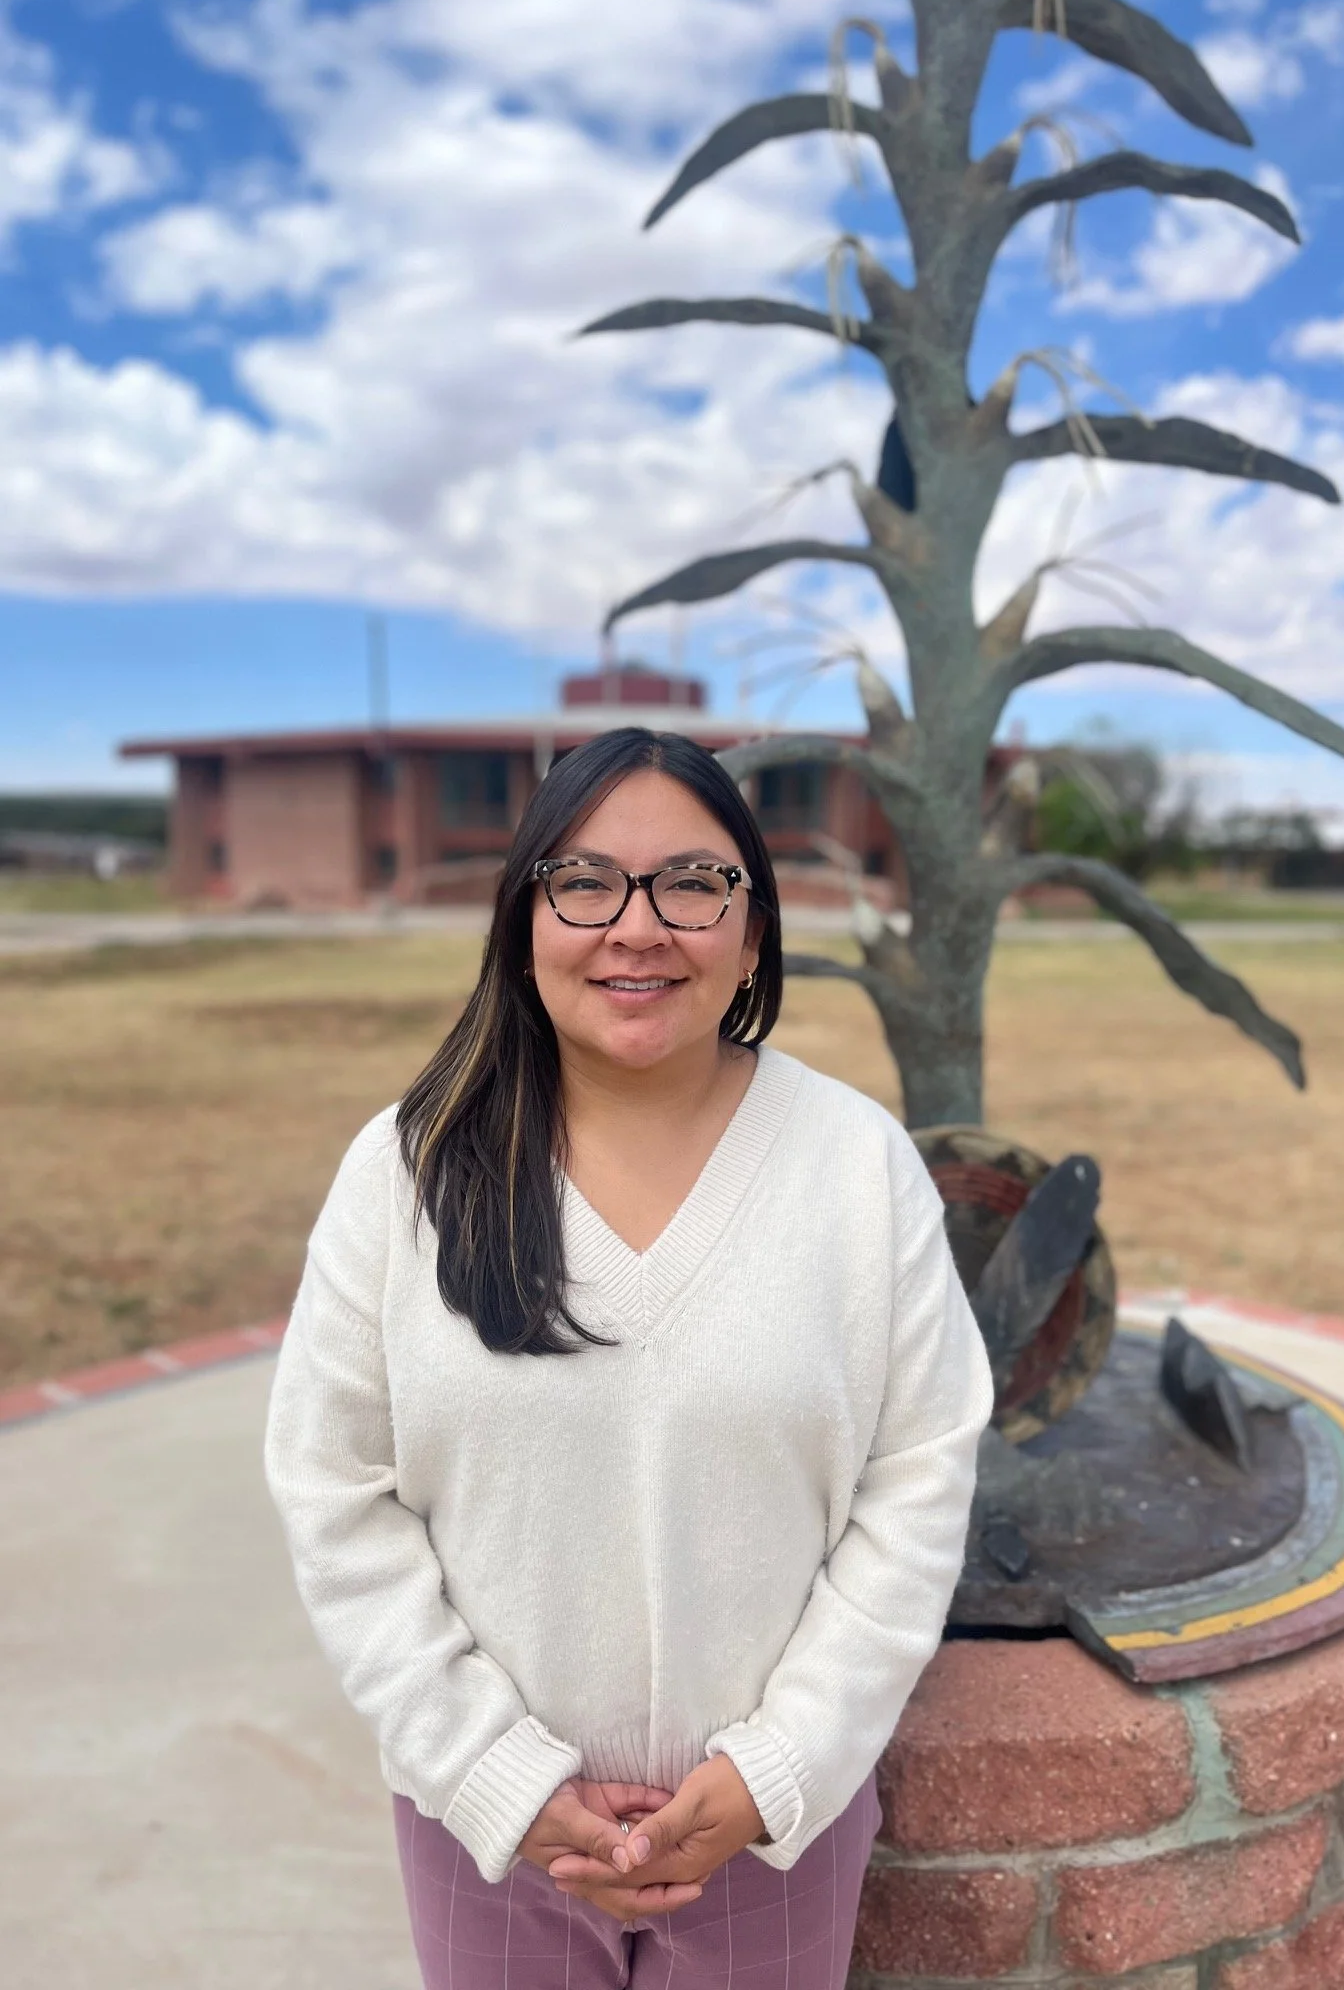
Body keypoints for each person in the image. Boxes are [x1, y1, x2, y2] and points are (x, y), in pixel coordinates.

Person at [265, 726, 995, 1990]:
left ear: (753, 927)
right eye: (586, 881)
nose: (638, 926)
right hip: (491, 1839)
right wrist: (493, 1774)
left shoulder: (854, 1167)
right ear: (524, 917)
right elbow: (333, 1492)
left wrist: (777, 1770)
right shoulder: (411, 1172)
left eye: (694, 883)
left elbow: (918, 1479)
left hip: (770, 1841)